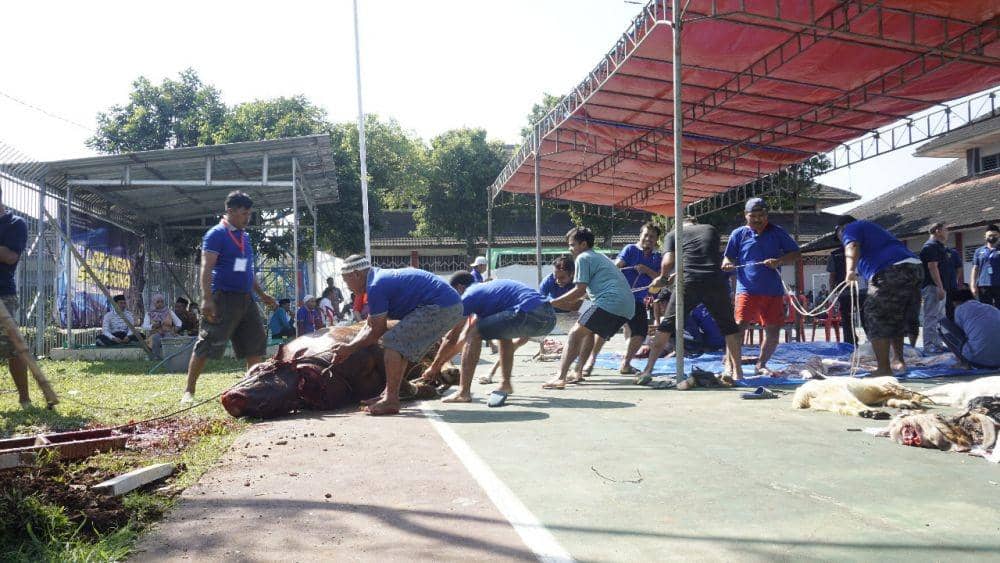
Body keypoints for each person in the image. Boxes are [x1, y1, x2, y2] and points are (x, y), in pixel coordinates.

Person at [332, 255, 465, 415]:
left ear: (356, 274)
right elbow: (369, 324)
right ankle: (390, 394)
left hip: (441, 306)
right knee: (400, 343)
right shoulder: (376, 281)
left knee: (392, 341)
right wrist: (349, 346)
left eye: (346, 281)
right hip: (448, 305)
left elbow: (377, 331)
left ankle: (391, 399)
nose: (347, 287)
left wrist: (349, 349)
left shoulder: (376, 285)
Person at [183, 191, 276, 403]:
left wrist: (262, 294)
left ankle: (252, 390)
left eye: (249, 214)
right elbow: (206, 267)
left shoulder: (245, 237)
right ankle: (189, 391)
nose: (247, 218)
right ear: (230, 211)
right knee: (207, 342)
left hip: (246, 298)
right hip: (222, 298)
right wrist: (206, 299)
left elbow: (247, 271)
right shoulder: (216, 234)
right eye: (244, 214)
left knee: (254, 343)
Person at [636, 216, 743, 387]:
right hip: (715, 281)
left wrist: (662, 278)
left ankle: (648, 370)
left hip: (689, 281)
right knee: (729, 327)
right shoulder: (710, 229)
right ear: (695, 223)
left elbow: (668, 261)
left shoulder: (674, 234)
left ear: (678, 224)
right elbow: (703, 256)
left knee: (666, 325)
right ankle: (737, 372)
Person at [424, 273, 556, 403]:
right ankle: (505, 384)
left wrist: (434, 367)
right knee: (502, 335)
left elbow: (452, 338)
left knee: (474, 334)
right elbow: (462, 340)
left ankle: (463, 393)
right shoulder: (487, 293)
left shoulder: (469, 295)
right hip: (549, 318)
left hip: (529, 312)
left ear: (460, 287)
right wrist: (440, 364)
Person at [544, 227, 634, 389]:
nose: (570, 249)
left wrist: (553, 302)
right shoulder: (598, 256)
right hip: (627, 308)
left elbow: (579, 290)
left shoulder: (583, 257)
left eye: (572, 245)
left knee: (574, 334)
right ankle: (577, 371)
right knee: (588, 332)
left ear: (583, 244)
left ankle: (560, 377)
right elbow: (585, 292)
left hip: (610, 302)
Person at [722, 198, 800, 376]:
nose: (757, 219)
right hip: (746, 289)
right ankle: (730, 365)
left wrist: (779, 261)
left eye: (761, 215)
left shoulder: (777, 232)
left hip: (773, 290)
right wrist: (727, 263)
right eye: (753, 216)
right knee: (738, 328)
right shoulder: (738, 234)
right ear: (746, 215)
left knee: (773, 330)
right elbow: (728, 257)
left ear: (767, 215)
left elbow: (796, 254)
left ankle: (761, 364)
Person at [837, 215, 922, 376]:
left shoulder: (851, 228)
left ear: (841, 230)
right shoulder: (873, 234)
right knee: (895, 316)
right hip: (914, 268)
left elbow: (852, 245)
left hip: (891, 269)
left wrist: (850, 271)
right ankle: (898, 361)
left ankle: (883, 369)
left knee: (875, 316)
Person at [614, 222, 662, 375]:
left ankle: (626, 363)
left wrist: (645, 269)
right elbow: (616, 267)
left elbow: (660, 279)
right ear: (640, 235)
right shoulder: (630, 249)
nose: (648, 238)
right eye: (646, 235)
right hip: (620, 297)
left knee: (640, 333)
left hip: (638, 300)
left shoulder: (657, 257)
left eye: (652, 236)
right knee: (602, 331)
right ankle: (588, 363)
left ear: (656, 240)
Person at [0, 194, 30, 408]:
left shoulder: (15, 224)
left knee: (13, 348)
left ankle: (24, 398)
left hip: (3, 294)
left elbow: (10, 257)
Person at [937, 289, 1000, 369]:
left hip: (978, 361)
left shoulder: (960, 309)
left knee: (941, 324)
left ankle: (963, 362)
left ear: (955, 302)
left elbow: (960, 334)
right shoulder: (991, 307)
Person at [919, 222, 953, 353]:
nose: (948, 232)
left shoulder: (940, 247)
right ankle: (929, 346)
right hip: (933, 287)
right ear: (938, 231)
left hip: (941, 286)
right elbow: (932, 267)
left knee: (940, 317)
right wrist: (939, 286)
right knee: (931, 316)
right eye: (946, 230)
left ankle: (938, 343)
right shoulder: (930, 246)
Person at [827, 246, 867, 346]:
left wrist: (832, 292)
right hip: (856, 291)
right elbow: (832, 276)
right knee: (864, 317)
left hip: (852, 291)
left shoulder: (835, 255)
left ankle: (851, 344)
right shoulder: (861, 250)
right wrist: (832, 292)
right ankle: (871, 342)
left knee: (849, 319)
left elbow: (832, 276)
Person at [141, 293, 181, 359]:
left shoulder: (169, 311)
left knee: (169, 337)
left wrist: (174, 330)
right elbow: (144, 326)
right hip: (154, 333)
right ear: (153, 303)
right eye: (158, 302)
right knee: (155, 338)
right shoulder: (149, 313)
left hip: (168, 333)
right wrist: (153, 326)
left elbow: (179, 323)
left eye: (162, 302)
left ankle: (170, 356)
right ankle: (155, 357)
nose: (160, 304)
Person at [971, 224, 1000, 308]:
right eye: (989, 235)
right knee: (986, 309)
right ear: (985, 236)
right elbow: (975, 269)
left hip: (998, 284)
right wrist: (972, 285)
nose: (992, 237)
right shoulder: (978, 251)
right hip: (983, 285)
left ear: (999, 235)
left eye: (994, 235)